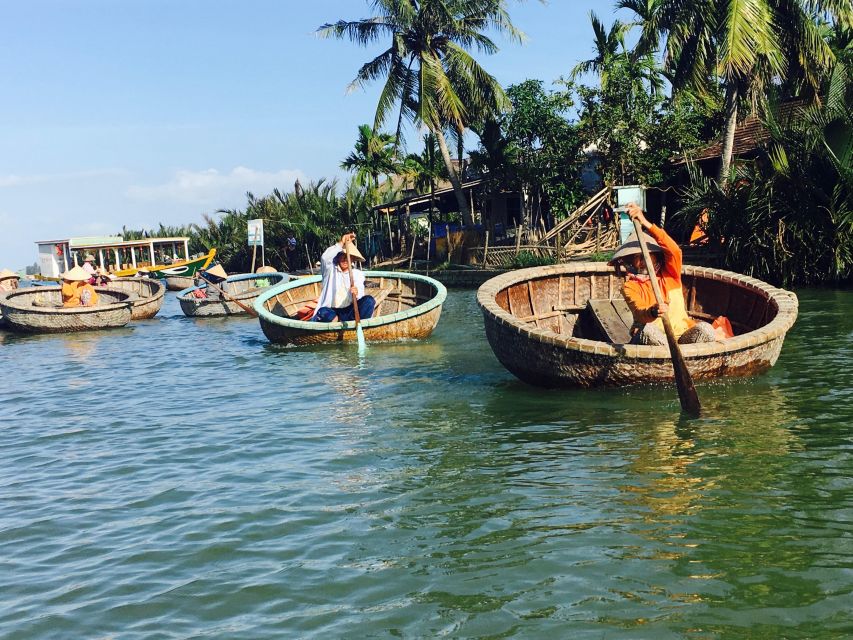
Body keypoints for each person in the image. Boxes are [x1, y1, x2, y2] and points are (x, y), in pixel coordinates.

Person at [609, 204, 718, 346]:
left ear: (656, 256)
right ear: (630, 261)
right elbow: (639, 312)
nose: (642, 261)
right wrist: (653, 311)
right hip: (655, 341)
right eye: (637, 257)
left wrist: (646, 223)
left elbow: (674, 251)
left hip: (682, 338)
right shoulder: (630, 286)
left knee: (706, 329)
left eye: (646, 256)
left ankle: (688, 358)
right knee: (648, 331)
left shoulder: (670, 274)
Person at [312, 233, 375, 322]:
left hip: (350, 310)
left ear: (352, 259)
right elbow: (325, 258)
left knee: (369, 301)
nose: (345, 260)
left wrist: (356, 292)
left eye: (348, 257)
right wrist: (342, 242)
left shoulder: (357, 274)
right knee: (322, 312)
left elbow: (360, 291)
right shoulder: (330, 270)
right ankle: (337, 321)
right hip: (332, 310)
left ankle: (357, 323)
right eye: (343, 256)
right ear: (338, 257)